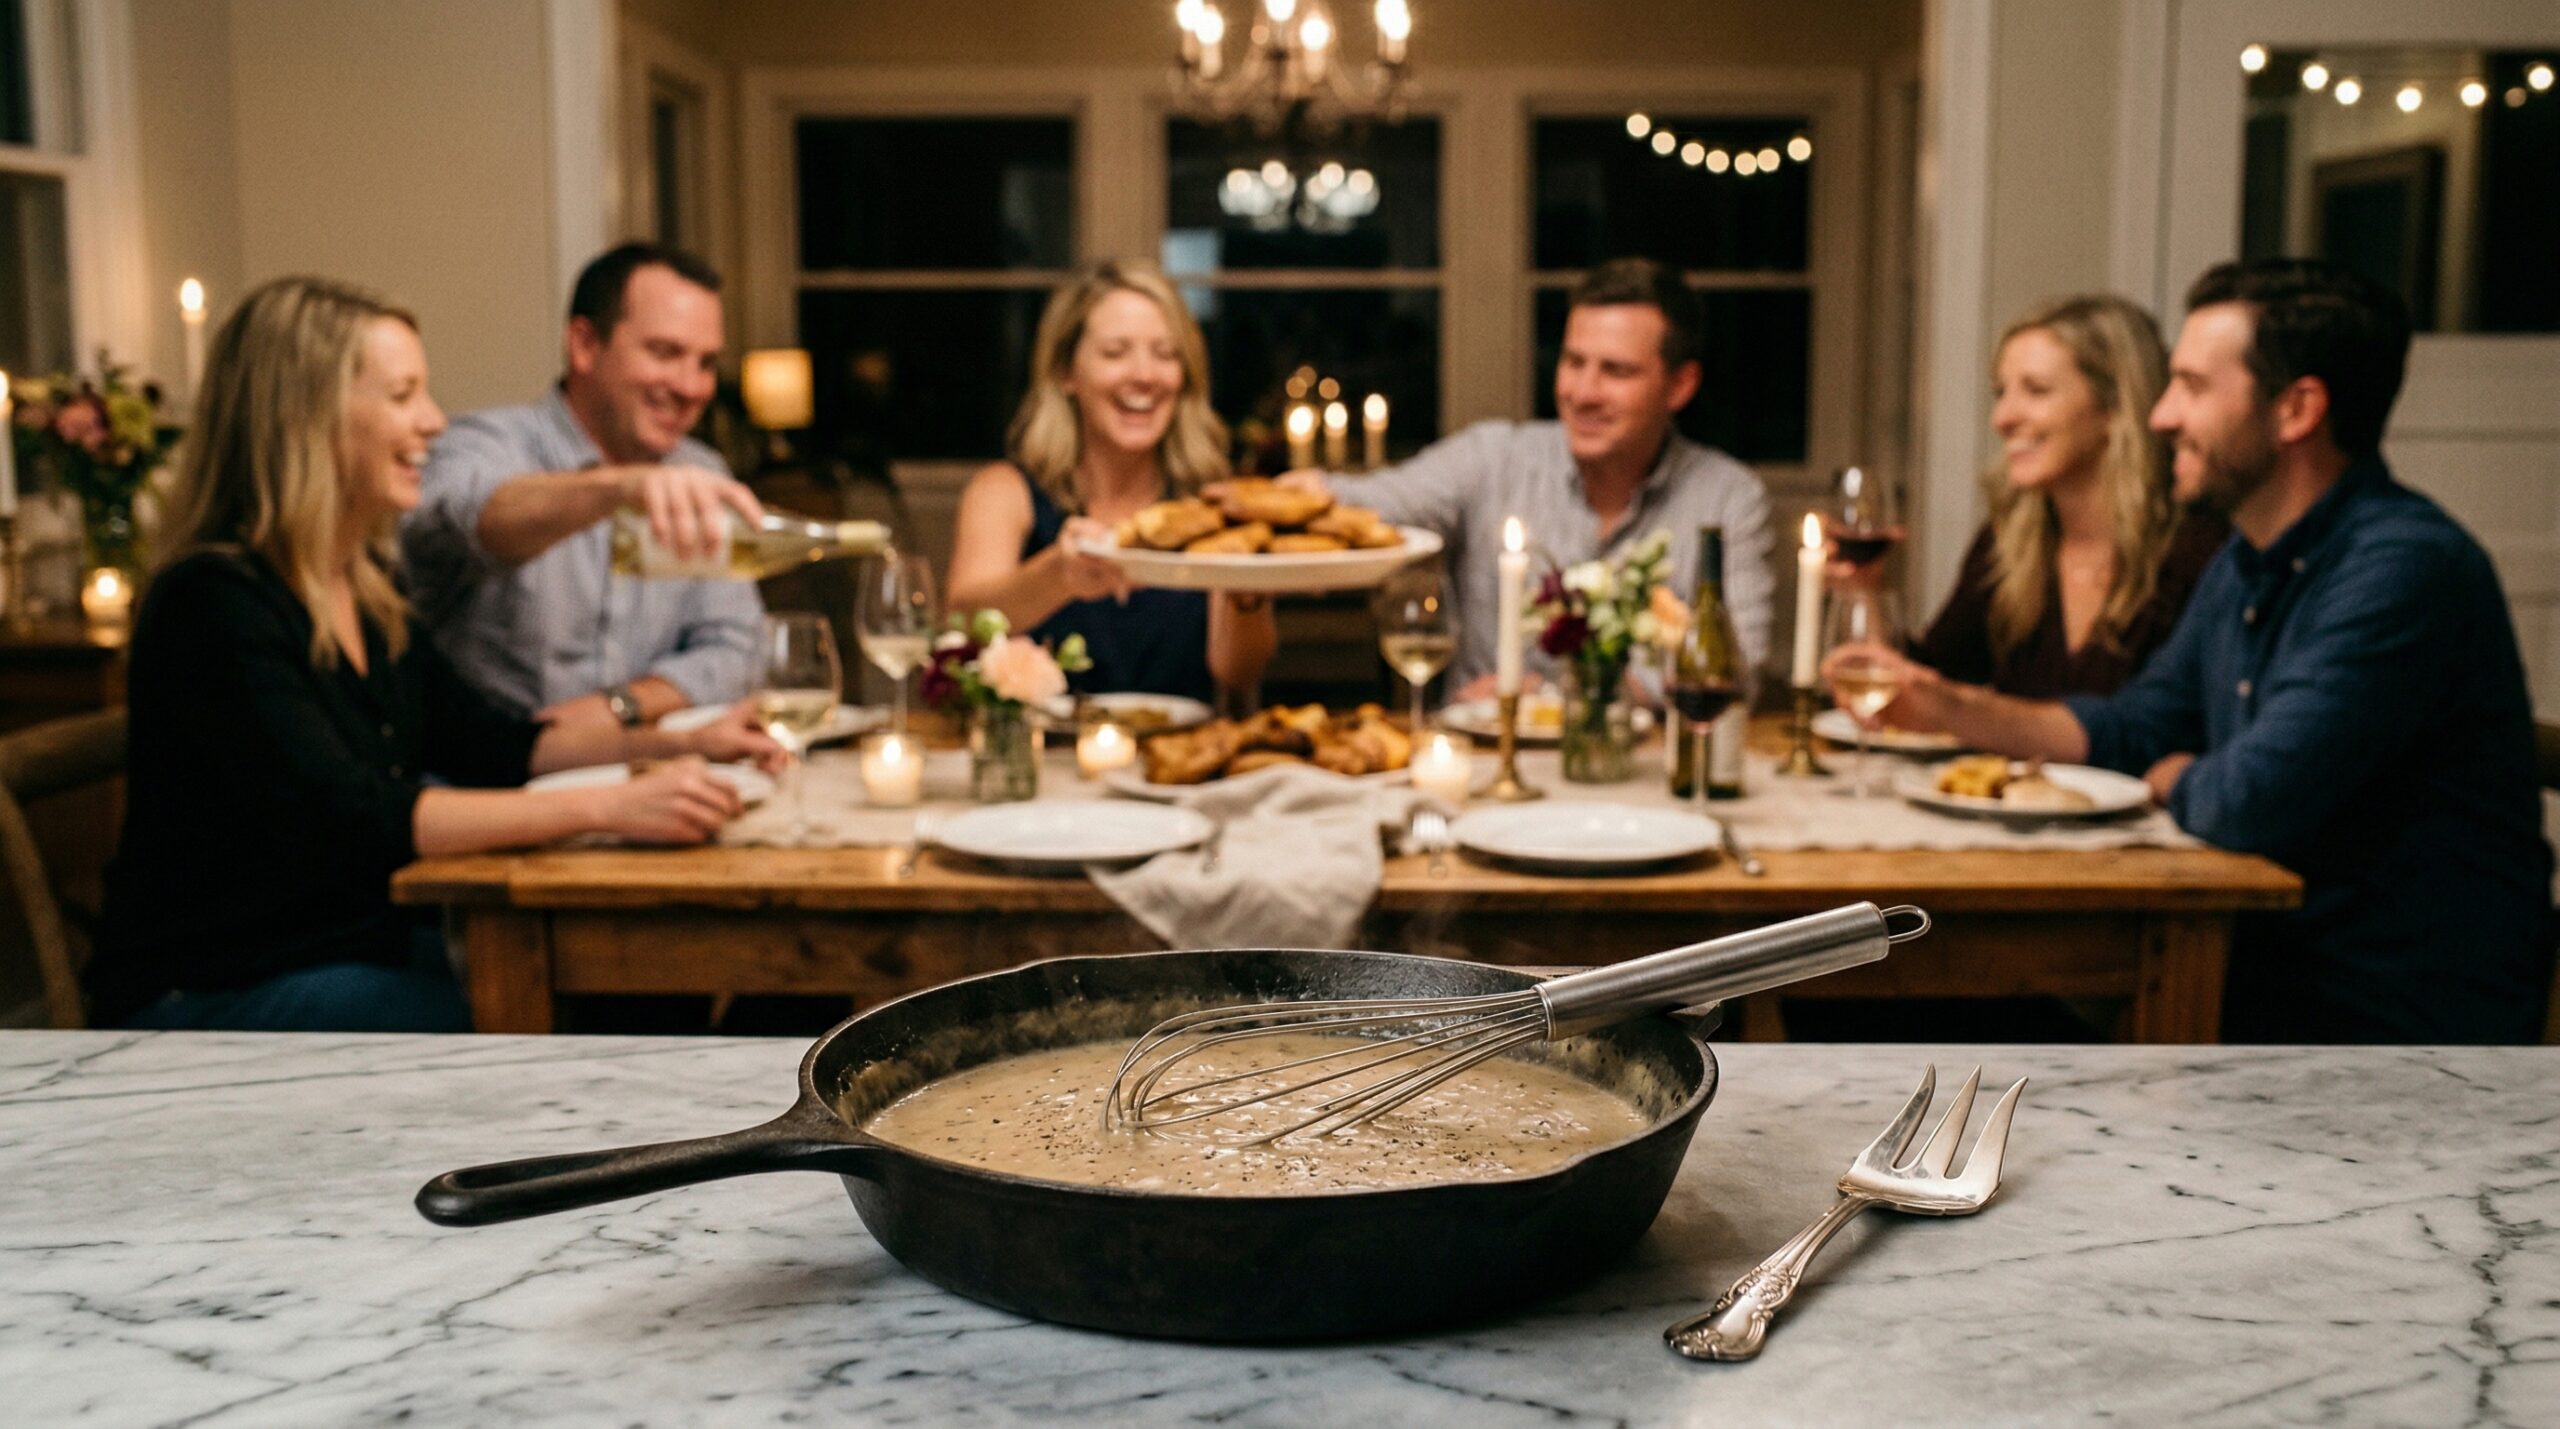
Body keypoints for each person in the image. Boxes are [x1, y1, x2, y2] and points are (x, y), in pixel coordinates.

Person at [1834, 258, 2553, 1042]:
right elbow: (2135, 727)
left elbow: (2246, 801)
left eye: (2193, 387)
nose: (2162, 416)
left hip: (2392, 1024)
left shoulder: (2403, 568)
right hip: (2259, 981)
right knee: (1855, 993)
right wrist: (1945, 705)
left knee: (1896, 1012)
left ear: (2296, 409)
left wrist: (2182, 774)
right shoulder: (2248, 559)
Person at [86, 277, 783, 1033]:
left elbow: (490, 741)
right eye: (403, 395)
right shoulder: (212, 601)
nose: (432, 421)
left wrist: (679, 741)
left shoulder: (363, 586)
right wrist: (614, 805)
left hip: (354, 948)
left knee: (626, 1001)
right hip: (217, 990)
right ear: (304, 416)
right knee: (556, 1026)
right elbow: (361, 820)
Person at [1289, 257, 1775, 694]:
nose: (1583, 392)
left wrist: (1564, 699)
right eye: (1573, 361)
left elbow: (1739, 668)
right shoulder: (1492, 457)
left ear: (1680, 385)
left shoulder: (1728, 497)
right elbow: (1373, 503)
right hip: (1480, 768)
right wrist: (1289, 498)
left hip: (1642, 780)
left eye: (1617, 371)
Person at [400, 242, 764, 736]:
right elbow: (473, 516)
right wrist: (618, 489)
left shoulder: (703, 472)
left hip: (645, 778)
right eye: (665, 352)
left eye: (705, 363)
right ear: (585, 345)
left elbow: (737, 645)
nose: (692, 386)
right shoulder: (485, 442)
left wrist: (620, 705)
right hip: (494, 788)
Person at [947, 261, 1275, 703]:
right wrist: (1058, 576)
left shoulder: (1212, 503)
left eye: (1165, 353)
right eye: (1115, 352)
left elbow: (1238, 673)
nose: (1144, 375)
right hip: (1044, 762)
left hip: (1174, 762)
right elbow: (961, 624)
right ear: (1066, 372)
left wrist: (1249, 593)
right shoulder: (1004, 490)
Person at [1905, 294, 2226, 698]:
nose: (2003, 419)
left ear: (2114, 408)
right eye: (2001, 393)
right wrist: (1864, 592)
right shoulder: (2006, 546)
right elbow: (1932, 685)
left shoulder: (2199, 552)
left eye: (2036, 391)